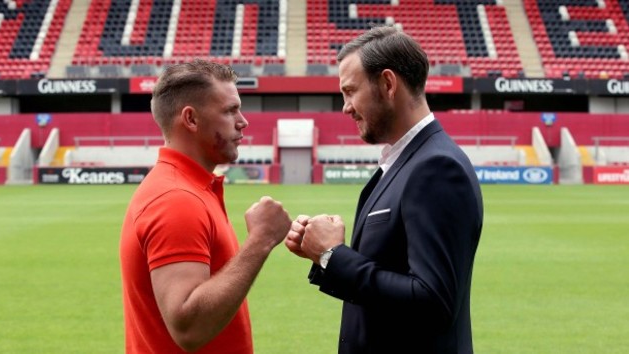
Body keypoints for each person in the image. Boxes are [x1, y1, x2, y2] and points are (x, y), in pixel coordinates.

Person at [285, 25, 484, 353]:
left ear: (388, 84)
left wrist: (333, 255)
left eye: (350, 91)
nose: (345, 107)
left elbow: (433, 302)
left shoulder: (435, 168)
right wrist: (320, 254)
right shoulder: (405, 160)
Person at [120, 59, 292, 354]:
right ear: (191, 119)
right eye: (229, 110)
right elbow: (189, 327)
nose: (243, 121)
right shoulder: (176, 199)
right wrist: (260, 240)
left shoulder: (187, 188)